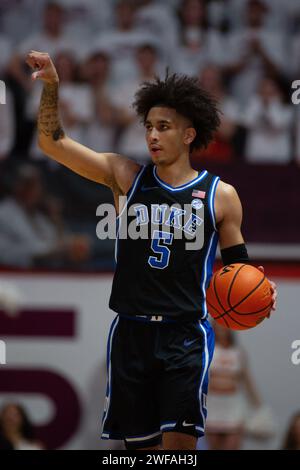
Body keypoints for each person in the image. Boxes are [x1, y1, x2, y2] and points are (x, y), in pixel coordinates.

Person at [26, 50, 277, 451]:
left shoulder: (221, 196)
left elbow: (239, 273)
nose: (153, 136)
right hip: (130, 332)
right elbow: (51, 142)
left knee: (178, 452)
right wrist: (53, 85)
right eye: (148, 127)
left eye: (164, 127)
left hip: (185, 335)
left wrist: (259, 292)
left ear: (189, 134)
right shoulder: (126, 176)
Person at [205, 322, 263, 450]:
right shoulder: (207, 349)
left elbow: (247, 381)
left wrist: (259, 406)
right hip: (212, 406)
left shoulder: (238, 352)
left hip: (233, 407)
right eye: (218, 325)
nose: (221, 329)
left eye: (224, 325)